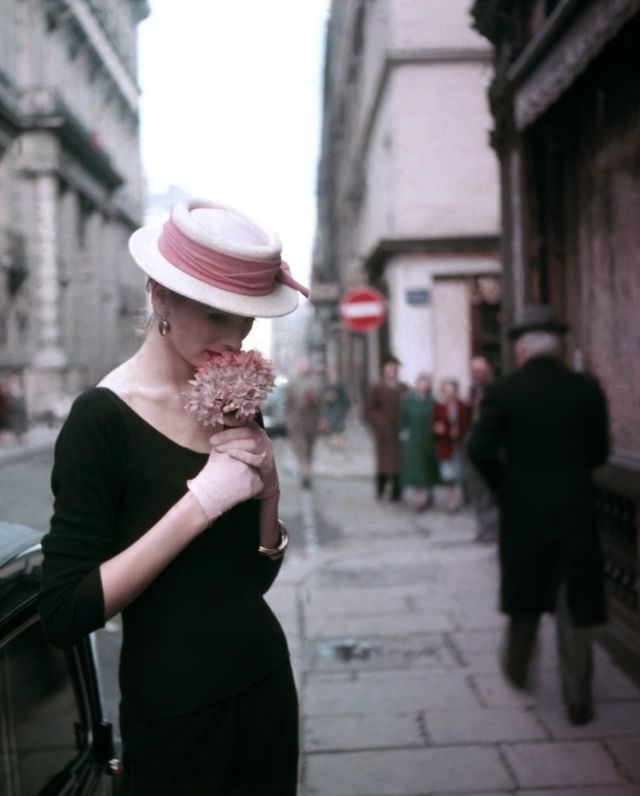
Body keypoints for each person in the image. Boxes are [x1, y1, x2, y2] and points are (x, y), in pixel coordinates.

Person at [39, 198, 309, 795]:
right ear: (160, 293)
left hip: (265, 683)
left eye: (246, 319)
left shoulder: (230, 398)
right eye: (216, 315)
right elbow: (65, 612)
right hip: (174, 711)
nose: (234, 337)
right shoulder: (100, 418)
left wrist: (268, 492)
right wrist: (200, 505)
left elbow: (248, 582)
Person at [467, 304, 609, 726]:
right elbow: (599, 451)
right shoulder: (586, 388)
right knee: (576, 602)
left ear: (522, 347)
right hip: (576, 509)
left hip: (523, 511)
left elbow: (479, 450)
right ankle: (579, 698)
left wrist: (503, 485)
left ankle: (516, 668)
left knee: (525, 597)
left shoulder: (504, 391)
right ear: (558, 344)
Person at [365, 355, 407, 501]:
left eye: (395, 369)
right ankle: (381, 490)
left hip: (398, 432)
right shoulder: (377, 387)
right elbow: (370, 409)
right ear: (384, 370)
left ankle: (397, 492)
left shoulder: (403, 388)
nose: (393, 371)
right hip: (383, 432)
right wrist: (381, 422)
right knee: (384, 464)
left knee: (398, 464)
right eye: (390, 368)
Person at [466, 356, 499, 542]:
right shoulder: (472, 391)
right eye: (474, 370)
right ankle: (482, 528)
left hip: (489, 447)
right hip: (473, 446)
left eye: (481, 370)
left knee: (488, 491)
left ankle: (491, 530)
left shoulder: (495, 390)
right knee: (476, 490)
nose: (478, 374)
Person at [399, 372, 439, 511]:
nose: (423, 385)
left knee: (427, 467)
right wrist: (404, 433)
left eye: (426, 383)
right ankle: (419, 499)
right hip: (414, 440)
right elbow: (402, 418)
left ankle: (428, 493)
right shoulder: (408, 401)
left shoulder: (432, 402)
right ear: (416, 384)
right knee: (416, 469)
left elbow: (437, 419)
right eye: (421, 382)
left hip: (428, 440)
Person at [285, 356, 324, 489]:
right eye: (301, 364)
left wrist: (322, 419)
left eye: (305, 364)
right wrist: (289, 421)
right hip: (297, 423)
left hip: (311, 422)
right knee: (300, 449)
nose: (304, 366)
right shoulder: (293, 382)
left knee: (309, 450)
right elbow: (288, 404)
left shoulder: (316, 382)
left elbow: (321, 404)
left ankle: (306, 470)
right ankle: (305, 474)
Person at [432, 379, 469, 512]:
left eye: (451, 390)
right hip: (445, 445)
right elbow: (434, 425)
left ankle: (463, 497)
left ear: (455, 391)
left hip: (459, 445)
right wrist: (437, 429)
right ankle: (451, 501)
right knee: (448, 475)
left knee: (460, 472)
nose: (449, 393)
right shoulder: (439, 407)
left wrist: (460, 432)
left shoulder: (462, 406)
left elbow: (467, 423)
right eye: (446, 390)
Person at [322, 367, 350, 447]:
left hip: (339, 409)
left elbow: (345, 399)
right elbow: (322, 398)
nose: (334, 376)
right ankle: (333, 441)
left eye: (335, 374)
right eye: (332, 374)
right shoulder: (326, 386)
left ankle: (338, 441)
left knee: (339, 427)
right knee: (331, 426)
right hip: (330, 410)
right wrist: (327, 397)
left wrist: (345, 408)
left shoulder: (341, 386)